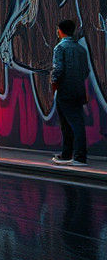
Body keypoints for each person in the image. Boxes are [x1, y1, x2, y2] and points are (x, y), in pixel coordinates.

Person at [51, 19, 90, 166]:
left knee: (71, 124)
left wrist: (54, 85)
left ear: (60, 30)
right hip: (78, 90)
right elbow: (86, 72)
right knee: (72, 123)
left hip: (65, 90)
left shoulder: (60, 48)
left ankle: (79, 157)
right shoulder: (81, 49)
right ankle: (67, 154)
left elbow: (58, 70)